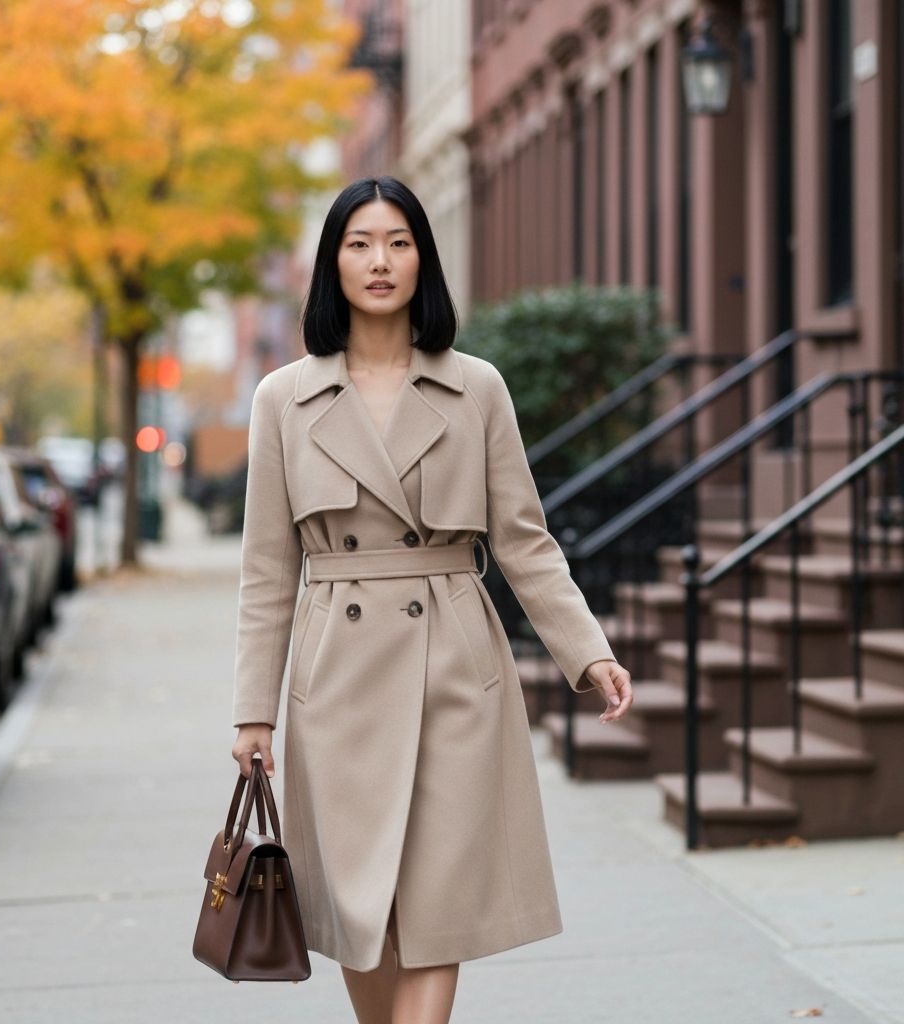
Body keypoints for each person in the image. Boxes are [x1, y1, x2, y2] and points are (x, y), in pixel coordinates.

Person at [230, 175, 634, 1024]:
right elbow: (267, 571)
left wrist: (586, 649)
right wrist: (253, 714)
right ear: (333, 263)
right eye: (360, 244)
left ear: (424, 260)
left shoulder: (476, 387)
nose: (380, 261)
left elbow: (523, 538)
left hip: (454, 666)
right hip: (337, 681)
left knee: (437, 907)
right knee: (362, 917)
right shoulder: (283, 398)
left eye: (399, 243)